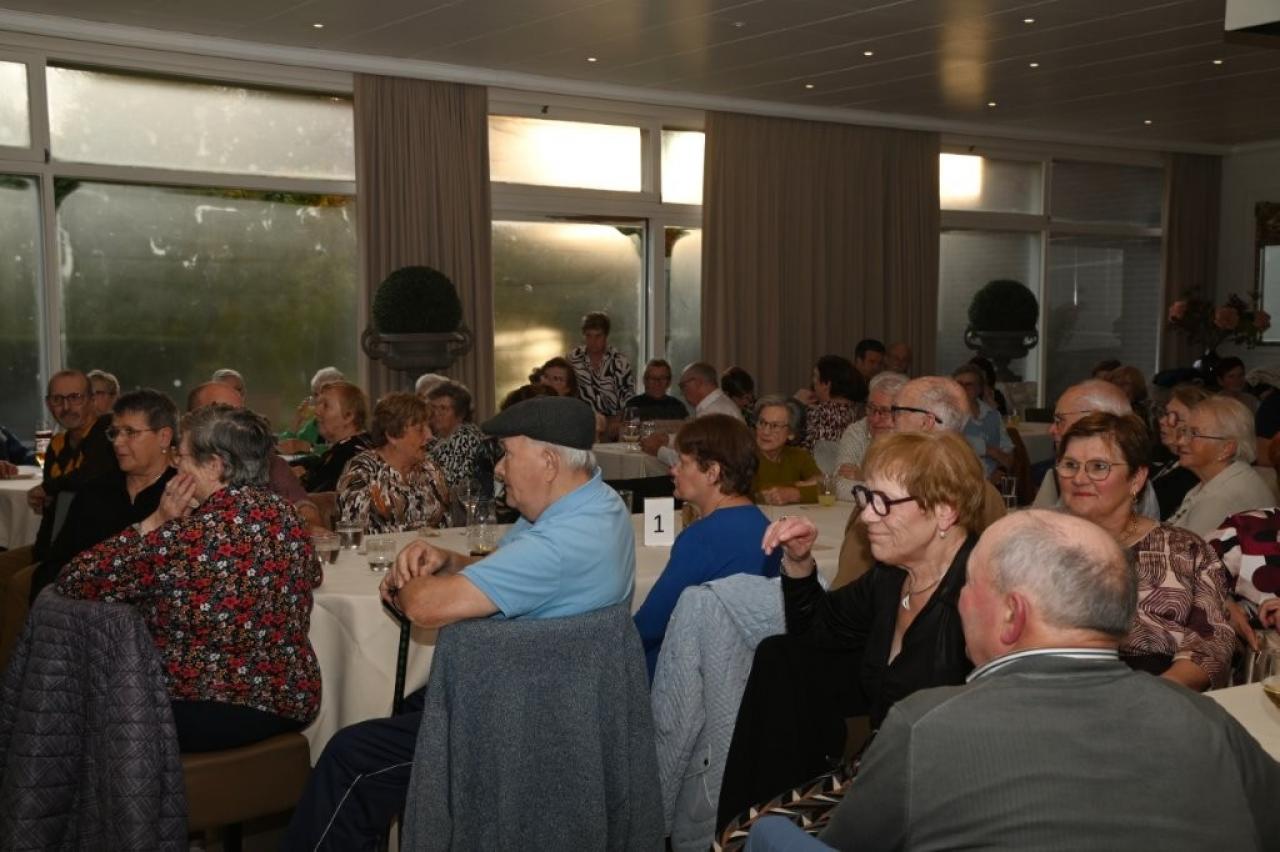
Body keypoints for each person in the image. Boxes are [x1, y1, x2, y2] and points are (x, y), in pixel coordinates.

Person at [747, 510, 1280, 852]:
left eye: (970, 586)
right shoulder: (1207, 719)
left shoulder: (926, 725)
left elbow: (847, 845)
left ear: (1012, 615)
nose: (959, 600)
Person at [283, 395, 635, 851]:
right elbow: (511, 572)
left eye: (507, 454)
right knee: (402, 704)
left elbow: (425, 609)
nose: (499, 470)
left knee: (350, 756)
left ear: (549, 462)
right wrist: (449, 560)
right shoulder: (595, 507)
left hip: (513, 723)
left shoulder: (559, 543)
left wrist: (407, 580)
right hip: (552, 700)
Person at [716, 430, 982, 831]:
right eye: (865, 496)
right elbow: (815, 639)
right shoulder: (892, 578)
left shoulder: (981, 596)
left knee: (762, 837)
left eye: (883, 502)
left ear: (945, 512)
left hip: (935, 799)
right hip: (879, 772)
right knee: (743, 834)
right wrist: (800, 562)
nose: (867, 515)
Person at [56, 404, 321, 753]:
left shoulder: (186, 536)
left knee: (75, 713)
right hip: (291, 700)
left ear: (214, 465)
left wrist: (154, 523)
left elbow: (75, 579)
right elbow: (314, 573)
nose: (176, 466)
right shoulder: (287, 517)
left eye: (181, 456)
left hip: (205, 705)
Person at [1056, 413, 1234, 690]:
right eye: (1070, 465)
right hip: (1057, 691)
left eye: (1098, 467)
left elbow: (1210, 645)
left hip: (1159, 691)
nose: (1079, 478)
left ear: (1136, 479)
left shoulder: (1185, 550)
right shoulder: (1037, 547)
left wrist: (1154, 695)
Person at [633, 414, 781, 677]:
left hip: (691, 675)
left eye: (683, 463)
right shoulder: (766, 527)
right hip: (748, 672)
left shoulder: (701, 538)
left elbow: (650, 625)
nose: (673, 470)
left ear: (712, 472)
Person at [29, 389, 178, 602]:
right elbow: (57, 562)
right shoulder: (95, 491)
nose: (117, 442)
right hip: (79, 607)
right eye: (114, 433)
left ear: (164, 437)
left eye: (130, 432)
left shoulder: (180, 494)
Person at [186, 381, 320, 527]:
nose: (238, 425)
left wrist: (310, 526)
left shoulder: (264, 458)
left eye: (241, 415)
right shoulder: (181, 467)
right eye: (225, 415)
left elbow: (303, 504)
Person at [1031, 378, 1160, 518]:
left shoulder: (1128, 487)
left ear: (1096, 420)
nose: (1051, 430)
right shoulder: (1065, 474)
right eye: (1070, 465)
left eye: (1060, 421)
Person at [29, 370, 117, 559]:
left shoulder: (108, 431)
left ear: (92, 400)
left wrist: (48, 488)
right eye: (57, 399)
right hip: (56, 549)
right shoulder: (57, 444)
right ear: (48, 404)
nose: (66, 407)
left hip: (98, 553)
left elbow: (93, 474)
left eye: (75, 397)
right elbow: (50, 515)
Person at [337, 392, 449, 533]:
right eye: (420, 429)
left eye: (429, 428)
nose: (429, 436)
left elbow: (445, 525)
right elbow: (355, 530)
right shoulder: (362, 471)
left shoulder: (430, 470)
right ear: (392, 435)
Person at [1167, 395, 1275, 538]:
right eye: (1184, 431)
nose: (1180, 441)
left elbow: (1180, 550)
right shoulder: (1223, 477)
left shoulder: (1220, 499)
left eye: (1194, 434)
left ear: (1226, 449)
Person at [641, 362, 743, 464]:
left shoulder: (715, 412)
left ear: (697, 383)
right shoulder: (717, 404)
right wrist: (666, 439)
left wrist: (658, 451)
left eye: (683, 386)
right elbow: (696, 441)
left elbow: (694, 462)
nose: (682, 393)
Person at [833, 371, 905, 500]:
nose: (874, 419)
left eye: (884, 411)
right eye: (871, 408)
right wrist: (885, 490)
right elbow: (839, 487)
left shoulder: (913, 439)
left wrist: (866, 476)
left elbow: (907, 494)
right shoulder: (857, 431)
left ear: (903, 413)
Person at [293, 381, 372, 493]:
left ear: (349, 416)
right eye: (318, 404)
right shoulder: (344, 448)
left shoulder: (350, 457)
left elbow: (321, 494)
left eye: (325, 406)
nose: (316, 411)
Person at [1150, 383, 1211, 519]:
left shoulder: (1193, 474)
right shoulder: (1169, 458)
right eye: (1165, 414)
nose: (1162, 421)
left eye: (1175, 417)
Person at [752, 396, 822, 505]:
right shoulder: (743, 455)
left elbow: (825, 488)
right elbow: (750, 495)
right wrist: (798, 485)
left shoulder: (799, 456)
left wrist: (794, 494)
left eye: (775, 426)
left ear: (791, 433)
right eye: (762, 422)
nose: (765, 431)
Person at [567, 310, 635, 418]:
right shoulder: (573, 359)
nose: (593, 341)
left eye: (598, 336)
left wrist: (618, 420)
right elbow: (566, 392)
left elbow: (628, 397)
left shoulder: (620, 362)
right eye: (588, 336)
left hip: (613, 420)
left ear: (606, 336)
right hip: (580, 420)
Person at [953, 363, 1013, 478]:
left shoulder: (993, 415)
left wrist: (1000, 470)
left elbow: (1009, 458)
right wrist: (989, 450)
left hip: (993, 483)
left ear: (979, 388)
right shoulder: (948, 415)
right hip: (960, 482)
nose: (963, 388)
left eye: (969, 384)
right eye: (959, 384)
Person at [425, 380, 487, 489]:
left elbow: (456, 484)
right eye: (433, 407)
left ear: (460, 414)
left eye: (443, 408)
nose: (436, 413)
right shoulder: (435, 437)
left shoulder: (467, 438)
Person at [796, 355, 864, 451]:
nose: (813, 381)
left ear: (826, 384)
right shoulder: (857, 413)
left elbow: (791, 444)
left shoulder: (817, 414)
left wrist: (795, 405)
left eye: (815, 376)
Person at [278, 366, 345, 453]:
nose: (318, 400)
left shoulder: (347, 421)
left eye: (324, 395)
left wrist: (309, 448)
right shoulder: (314, 425)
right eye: (316, 395)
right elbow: (282, 448)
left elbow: (341, 451)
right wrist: (296, 422)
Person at [623, 358, 689, 421]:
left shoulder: (678, 407)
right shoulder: (633, 406)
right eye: (653, 378)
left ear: (669, 382)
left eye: (662, 378)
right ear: (645, 381)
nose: (657, 382)